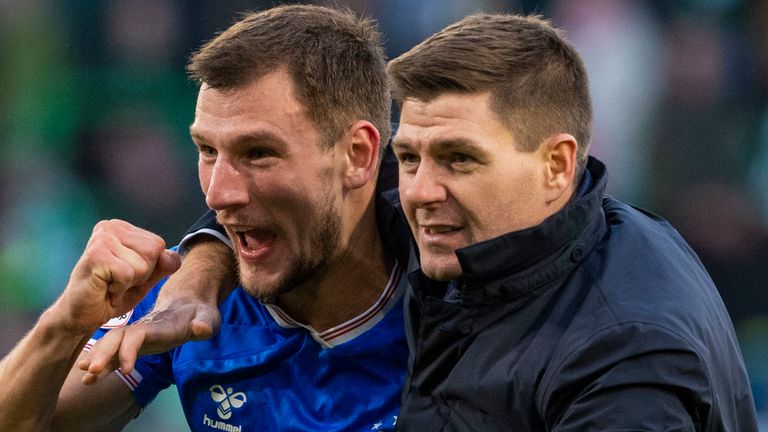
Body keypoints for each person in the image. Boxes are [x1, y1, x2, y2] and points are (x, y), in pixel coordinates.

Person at [86, 12, 758, 432]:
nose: (421, 191)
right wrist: (205, 258)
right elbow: (300, 190)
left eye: (459, 160)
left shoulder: (624, 356)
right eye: (411, 157)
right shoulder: (493, 233)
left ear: (556, 165)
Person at [0, 5, 412, 431]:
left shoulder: (451, 301)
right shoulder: (176, 305)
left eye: (259, 153)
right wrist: (65, 322)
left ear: (357, 155)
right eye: (208, 151)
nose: (218, 194)